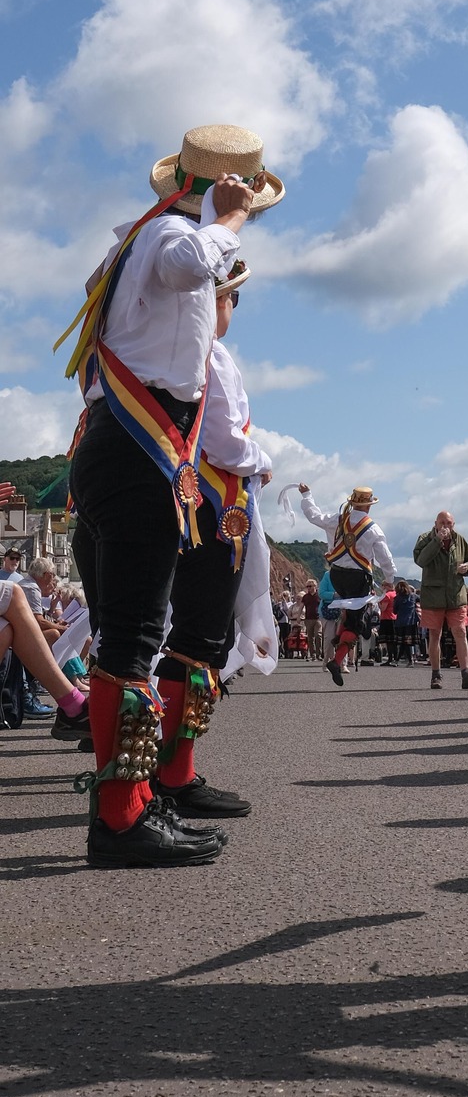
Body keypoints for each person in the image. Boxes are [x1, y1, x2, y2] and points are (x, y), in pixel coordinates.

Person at [59, 122, 282, 866]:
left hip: (129, 451)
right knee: (132, 641)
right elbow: (193, 263)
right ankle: (119, 819)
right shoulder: (170, 238)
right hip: (136, 451)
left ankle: (137, 803)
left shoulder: (142, 243)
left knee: (137, 637)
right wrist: (230, 217)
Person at [151, 259, 270, 821]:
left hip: (187, 503)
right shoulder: (209, 355)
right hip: (213, 505)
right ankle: (175, 774)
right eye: (232, 298)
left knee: (187, 640)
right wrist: (263, 459)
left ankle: (165, 769)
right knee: (200, 643)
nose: (232, 309)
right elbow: (224, 443)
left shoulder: (168, 347)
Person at [297, 483, 397, 686]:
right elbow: (385, 558)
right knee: (357, 622)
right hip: (358, 579)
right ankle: (338, 658)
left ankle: (339, 640)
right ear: (369, 506)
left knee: (348, 614)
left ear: (352, 502)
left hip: (336, 576)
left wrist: (307, 494)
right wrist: (389, 580)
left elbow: (313, 516)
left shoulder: (338, 519)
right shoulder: (373, 529)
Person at [0, 580, 89, 739]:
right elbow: (39, 620)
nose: (54, 584)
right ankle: (74, 706)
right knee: (12, 593)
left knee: (4, 628)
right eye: (52, 579)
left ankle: (73, 705)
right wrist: (59, 625)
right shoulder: (31, 587)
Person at [413, 511, 468, 691]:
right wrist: (437, 541)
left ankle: (466, 673)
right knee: (435, 634)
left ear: (454, 524)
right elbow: (421, 560)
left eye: (449, 523)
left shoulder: (460, 540)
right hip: (433, 595)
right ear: (435, 523)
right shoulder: (425, 538)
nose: (445, 526)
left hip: (455, 594)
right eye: (442, 522)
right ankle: (436, 674)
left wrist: (467, 568)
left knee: (460, 632)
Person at [302, 579, 323, 661]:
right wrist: (299, 616)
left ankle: (319, 654)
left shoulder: (319, 595)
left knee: (318, 635)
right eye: (307, 586)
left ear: (315, 586)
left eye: (310, 586)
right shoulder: (306, 597)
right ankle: (312, 655)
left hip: (318, 618)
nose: (308, 588)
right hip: (308, 618)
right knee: (310, 637)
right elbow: (301, 606)